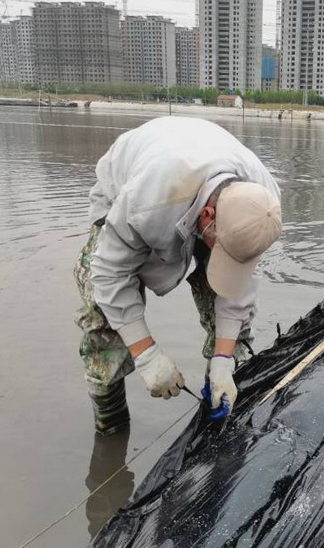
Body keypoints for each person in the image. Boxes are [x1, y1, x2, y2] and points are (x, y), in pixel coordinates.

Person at [75, 116, 282, 435]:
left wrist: (224, 358)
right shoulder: (146, 201)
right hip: (134, 189)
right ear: (208, 216)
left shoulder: (262, 204)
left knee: (234, 331)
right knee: (102, 320)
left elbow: (241, 282)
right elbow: (109, 273)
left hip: (204, 182)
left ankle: (221, 397)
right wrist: (145, 354)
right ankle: (111, 427)